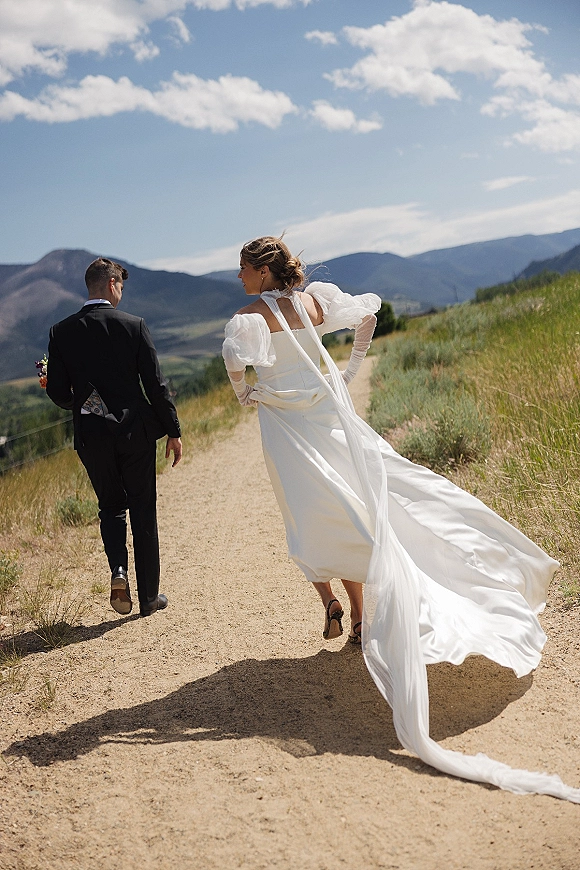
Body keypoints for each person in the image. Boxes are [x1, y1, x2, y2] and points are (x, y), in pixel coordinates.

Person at [222, 235, 580, 803]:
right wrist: (347, 372)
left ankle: (360, 606)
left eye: (243, 269)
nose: (237, 277)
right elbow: (370, 312)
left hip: (290, 431)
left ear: (262, 273)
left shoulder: (248, 317)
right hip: (331, 417)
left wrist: (251, 396)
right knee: (378, 502)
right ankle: (366, 610)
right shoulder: (315, 301)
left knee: (316, 511)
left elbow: (238, 371)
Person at [46, 257, 182, 618]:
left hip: (91, 436)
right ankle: (149, 598)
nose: (121, 290)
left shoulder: (61, 332)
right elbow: (155, 384)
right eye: (120, 283)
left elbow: (61, 395)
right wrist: (173, 429)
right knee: (142, 511)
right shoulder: (133, 325)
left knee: (110, 507)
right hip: (134, 433)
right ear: (110, 284)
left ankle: (118, 571)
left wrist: (69, 393)